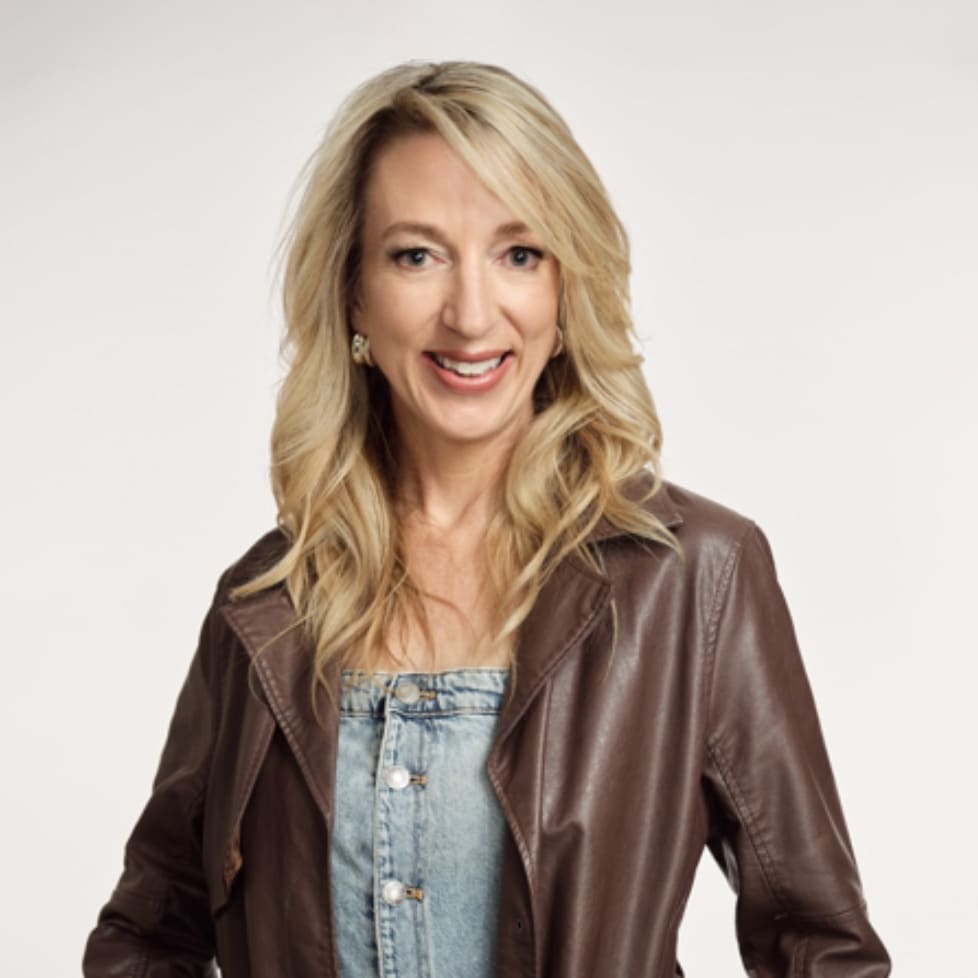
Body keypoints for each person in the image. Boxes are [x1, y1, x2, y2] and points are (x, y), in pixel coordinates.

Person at [83, 61, 890, 978]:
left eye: (519, 254)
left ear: (565, 289)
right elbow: (146, 938)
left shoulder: (693, 579)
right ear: (353, 292)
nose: (471, 315)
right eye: (416, 255)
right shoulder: (267, 608)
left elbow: (821, 947)